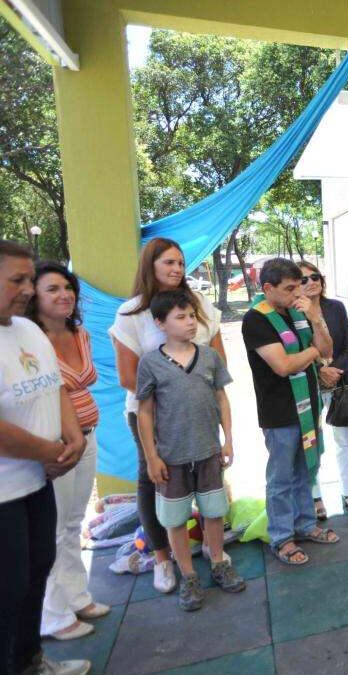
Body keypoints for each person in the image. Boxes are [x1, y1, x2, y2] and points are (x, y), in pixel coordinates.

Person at [109, 237, 224, 594]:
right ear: (150, 266)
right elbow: (128, 376)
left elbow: (219, 360)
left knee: (209, 474)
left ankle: (213, 548)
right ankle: (162, 557)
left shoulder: (200, 303)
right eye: (168, 263)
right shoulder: (131, 313)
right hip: (153, 415)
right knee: (156, 478)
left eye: (180, 262)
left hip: (200, 410)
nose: (176, 269)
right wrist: (172, 394)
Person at [0, 240, 89, 675]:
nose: (28, 290)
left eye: (27, 279)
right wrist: (51, 451)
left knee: (37, 571)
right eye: (17, 280)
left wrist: (71, 437)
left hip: (38, 481)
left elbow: (56, 388)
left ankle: (30, 661)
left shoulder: (26, 329)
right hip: (5, 493)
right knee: (8, 588)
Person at [135, 290, 245, 611]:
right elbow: (144, 411)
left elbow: (222, 399)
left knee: (214, 512)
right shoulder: (151, 363)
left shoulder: (209, 357)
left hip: (209, 451)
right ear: (160, 323)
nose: (189, 323)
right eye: (180, 317)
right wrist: (152, 457)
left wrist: (228, 440)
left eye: (192, 316)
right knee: (175, 519)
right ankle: (188, 575)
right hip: (172, 457)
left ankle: (218, 564)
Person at [26, 262, 109, 640]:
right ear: (34, 297)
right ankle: (53, 615)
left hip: (87, 437)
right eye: (52, 289)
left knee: (73, 523)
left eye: (67, 287)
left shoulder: (80, 333)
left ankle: (77, 597)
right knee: (54, 528)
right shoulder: (30, 340)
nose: (64, 295)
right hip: (55, 443)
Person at [242, 258, 340, 566]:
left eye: (299, 285)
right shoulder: (256, 319)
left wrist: (316, 319)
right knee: (282, 477)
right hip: (279, 412)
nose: (298, 292)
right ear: (268, 288)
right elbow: (284, 366)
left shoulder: (299, 313)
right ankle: (282, 537)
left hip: (308, 405)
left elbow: (328, 348)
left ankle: (306, 525)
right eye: (289, 288)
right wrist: (313, 352)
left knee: (306, 470)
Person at [297, 261, 348, 517]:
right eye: (304, 279)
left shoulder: (335, 307)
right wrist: (319, 370)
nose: (311, 282)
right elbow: (295, 351)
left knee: (344, 441)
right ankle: (315, 497)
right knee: (311, 443)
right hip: (309, 385)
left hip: (340, 383)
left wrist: (334, 370)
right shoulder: (292, 312)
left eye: (315, 276)